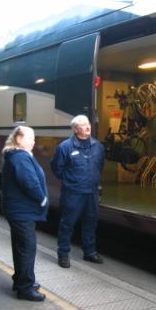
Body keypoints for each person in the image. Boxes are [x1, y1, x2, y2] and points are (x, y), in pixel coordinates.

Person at [50, 115, 105, 268]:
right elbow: (56, 167)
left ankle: (89, 252)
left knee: (90, 222)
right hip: (73, 192)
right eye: (82, 125)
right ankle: (63, 254)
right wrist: (69, 180)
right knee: (67, 223)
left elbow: (100, 167)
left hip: (91, 192)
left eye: (88, 124)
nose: (87, 127)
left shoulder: (98, 146)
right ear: (75, 129)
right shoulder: (65, 147)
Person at [1, 126, 48, 301]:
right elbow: (29, 182)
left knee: (20, 247)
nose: (34, 141)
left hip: (19, 210)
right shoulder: (20, 157)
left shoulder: (16, 156)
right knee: (27, 248)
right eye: (30, 138)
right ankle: (26, 288)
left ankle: (21, 280)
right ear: (19, 139)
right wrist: (42, 199)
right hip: (22, 211)